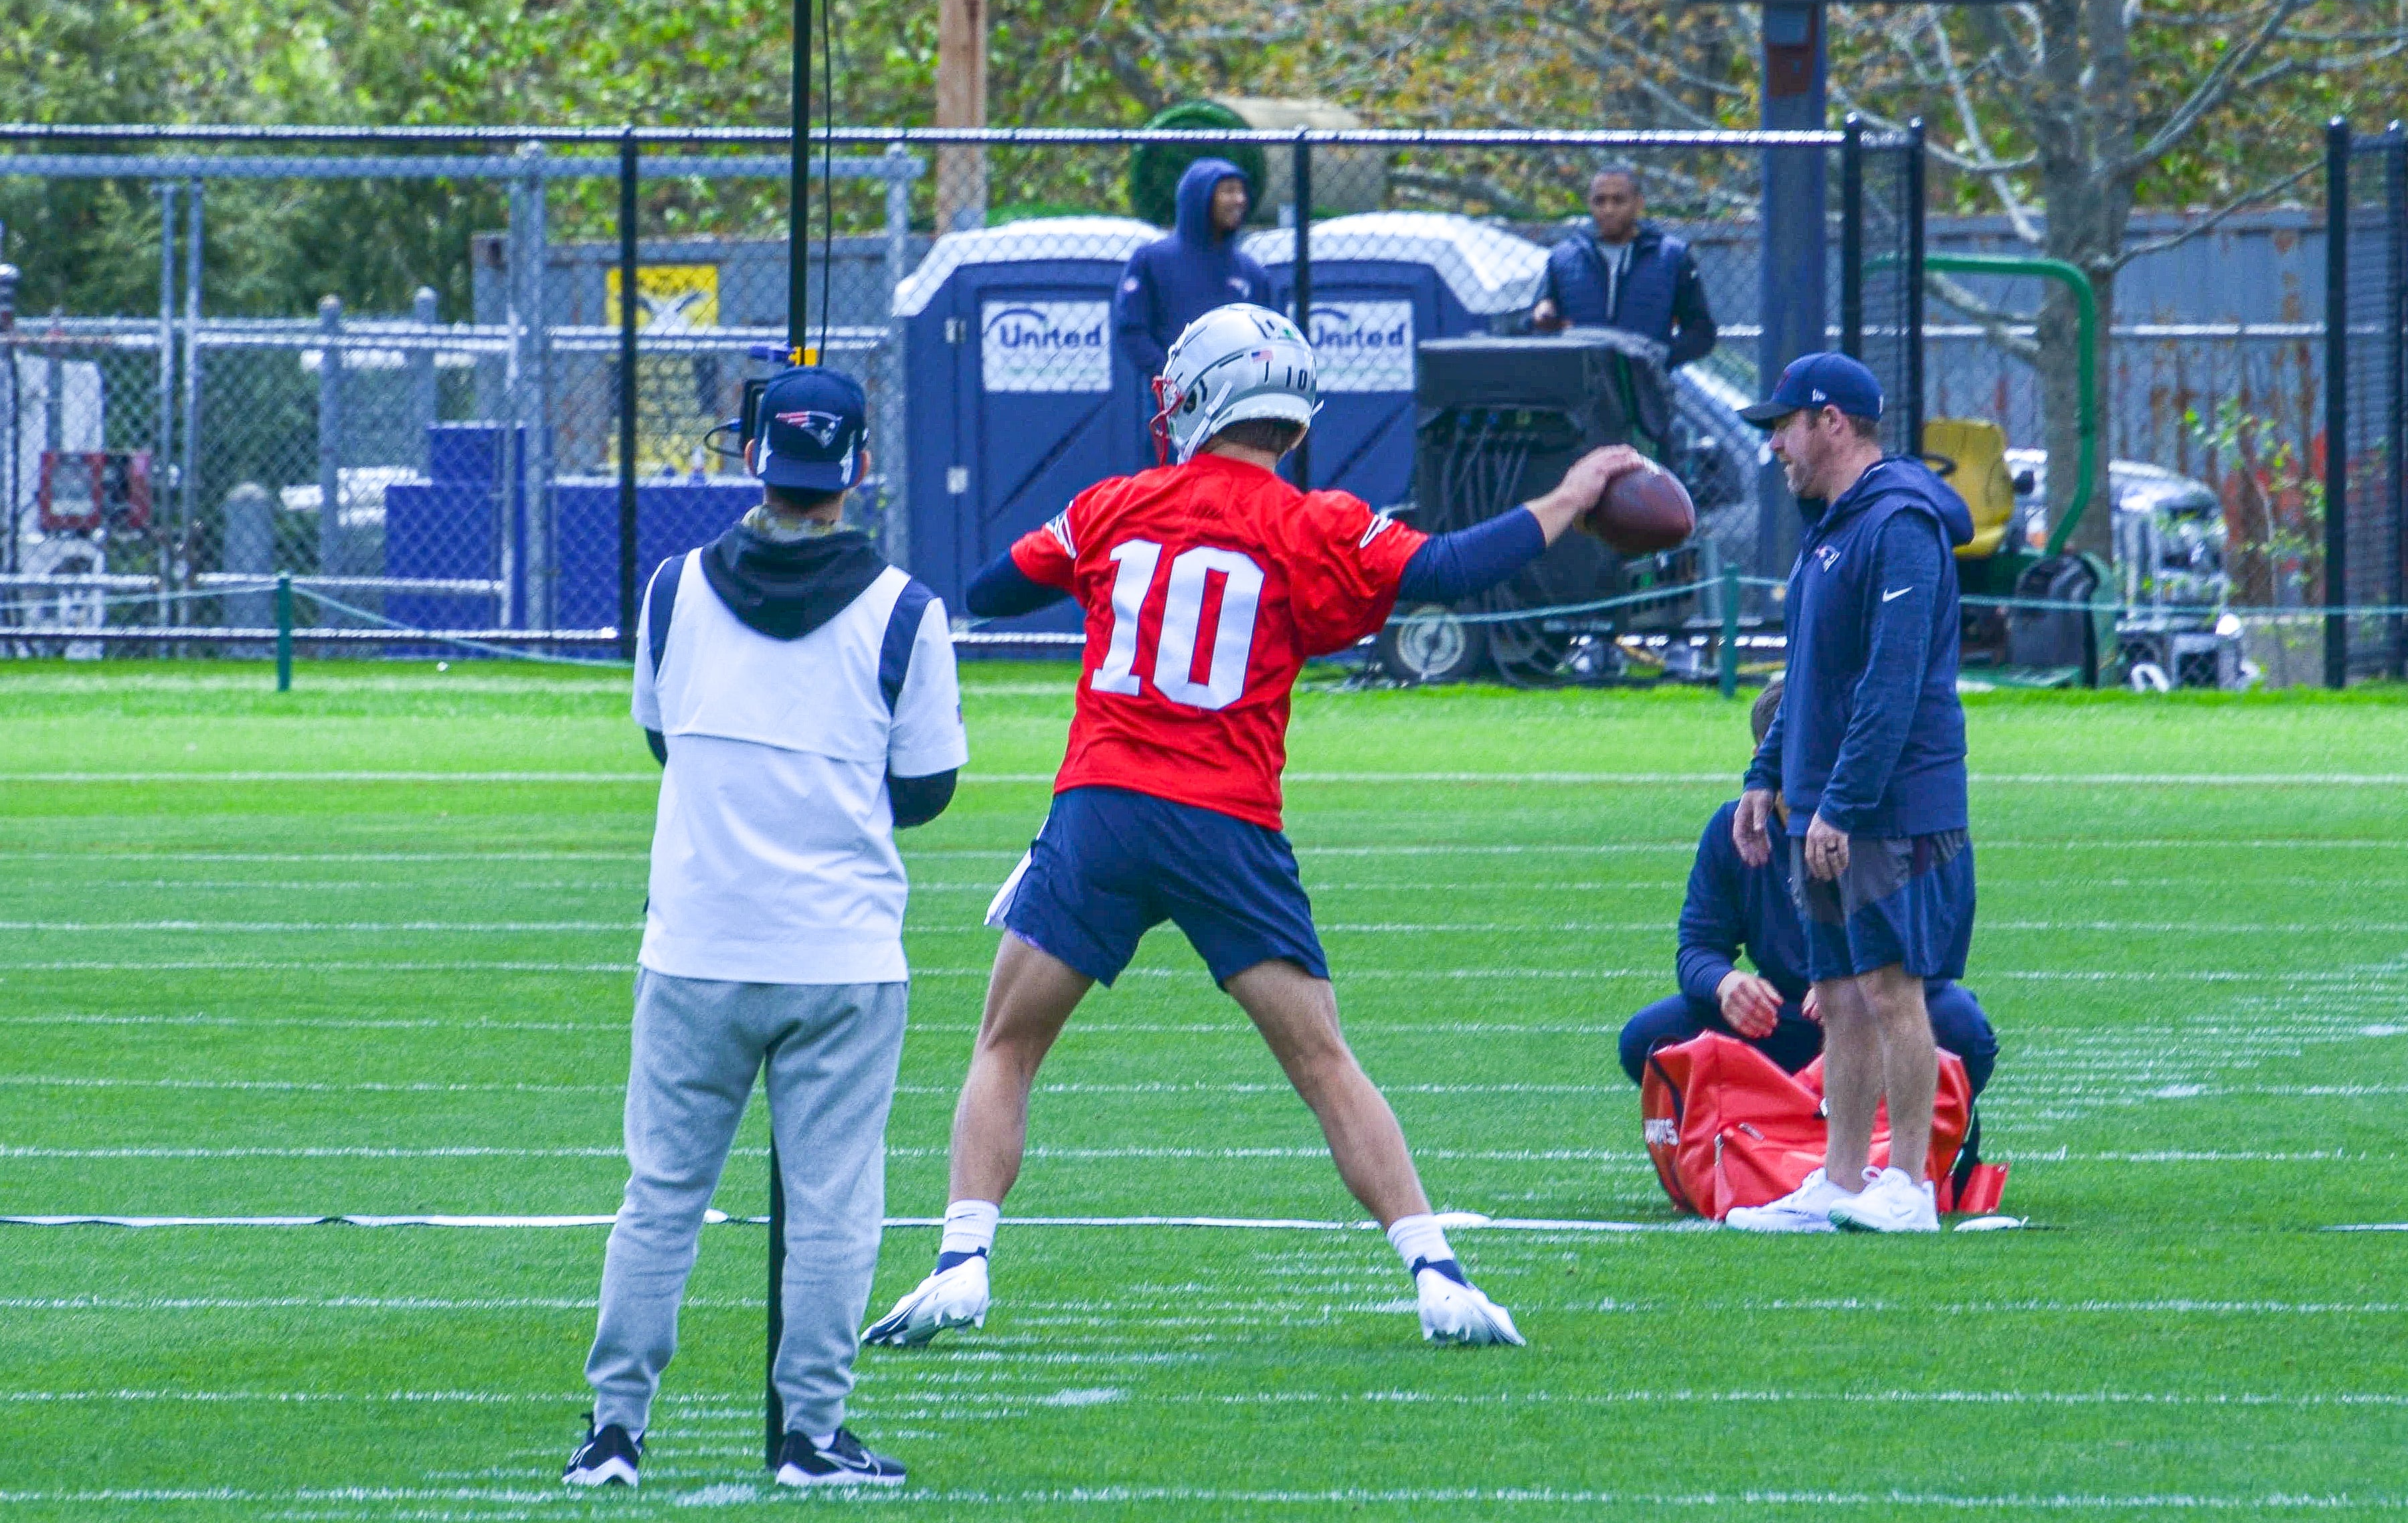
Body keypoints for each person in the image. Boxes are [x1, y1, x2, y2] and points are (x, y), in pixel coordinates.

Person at [863, 302, 1643, 1350]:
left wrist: (1098, 555)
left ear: (1198, 393)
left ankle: (962, 1258)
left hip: (1101, 809)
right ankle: (1437, 1273)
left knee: (1007, 1043)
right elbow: (1452, 570)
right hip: (1225, 821)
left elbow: (992, 589)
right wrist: (1574, 493)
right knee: (1323, 1059)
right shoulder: (1311, 521)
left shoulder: (1116, 503)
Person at [563, 366, 967, 1491]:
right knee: (834, 1204)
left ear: (752, 460)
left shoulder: (671, 590)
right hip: (838, 949)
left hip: (694, 940)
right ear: (856, 472)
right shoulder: (903, 609)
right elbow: (927, 785)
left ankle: (613, 1430)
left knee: (660, 1198)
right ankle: (810, 1432)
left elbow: (662, 738)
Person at [1721, 352, 1978, 1236]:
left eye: (1784, 425)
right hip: (1829, 797)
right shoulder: (1830, 528)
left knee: (1888, 985)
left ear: (1832, 421)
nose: (1776, 446)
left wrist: (1841, 801)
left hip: (1892, 804)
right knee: (1836, 990)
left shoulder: (1898, 523)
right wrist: (1765, 778)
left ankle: (1906, 1182)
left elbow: (1890, 677)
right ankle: (1838, 1177)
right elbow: (1809, 677)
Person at [1616, 679, 1998, 1094]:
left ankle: (1920, 1146)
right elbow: (1697, 947)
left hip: (1880, 1003)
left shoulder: (1891, 824)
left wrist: (1858, 984)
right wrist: (1725, 983)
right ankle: (1748, 1140)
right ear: (1761, 756)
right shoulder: (1732, 829)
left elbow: (1936, 948)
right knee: (1648, 1038)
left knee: (1963, 1028)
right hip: (1781, 1016)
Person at [1531, 165, 1717, 369]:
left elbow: (1701, 333)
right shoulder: (1564, 256)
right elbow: (1535, 322)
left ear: (1638, 203)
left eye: (1618, 200)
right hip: (1579, 389)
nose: (1608, 209)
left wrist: (1662, 357)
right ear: (1590, 204)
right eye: (1600, 201)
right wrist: (1543, 317)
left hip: (1645, 391)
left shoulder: (1672, 257)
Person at [1114, 157, 1274, 389]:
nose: (1240, 200)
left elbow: (1267, 341)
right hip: (1174, 402)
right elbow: (1131, 330)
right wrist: (1172, 376)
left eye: (1242, 192)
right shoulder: (1151, 260)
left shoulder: (1253, 273)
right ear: (1200, 197)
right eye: (1228, 191)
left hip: (1238, 400)